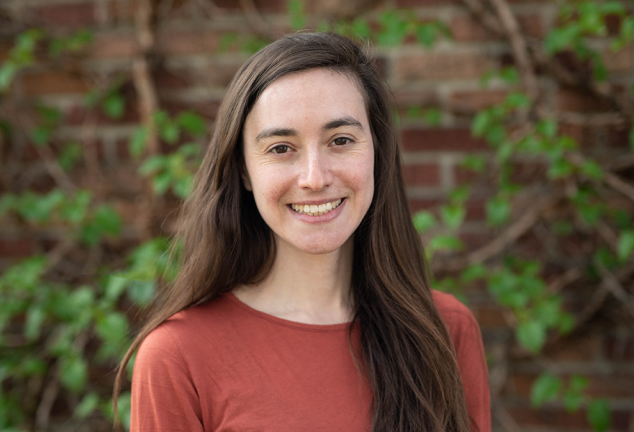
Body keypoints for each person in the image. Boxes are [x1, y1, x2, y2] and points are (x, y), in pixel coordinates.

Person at [115, 32, 490, 432]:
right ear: (243, 169)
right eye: (281, 148)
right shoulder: (178, 355)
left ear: (377, 154)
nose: (314, 178)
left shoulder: (446, 330)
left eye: (341, 140)